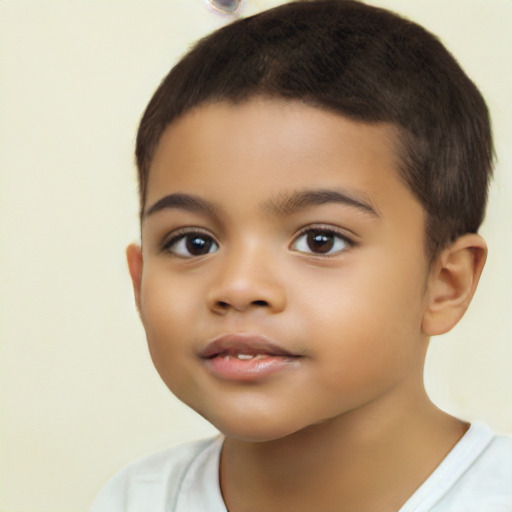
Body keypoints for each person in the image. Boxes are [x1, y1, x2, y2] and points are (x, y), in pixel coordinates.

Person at [90, 1, 511, 510]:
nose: (239, 286)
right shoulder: (133, 500)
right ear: (139, 281)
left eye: (320, 240)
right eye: (193, 243)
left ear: (446, 283)